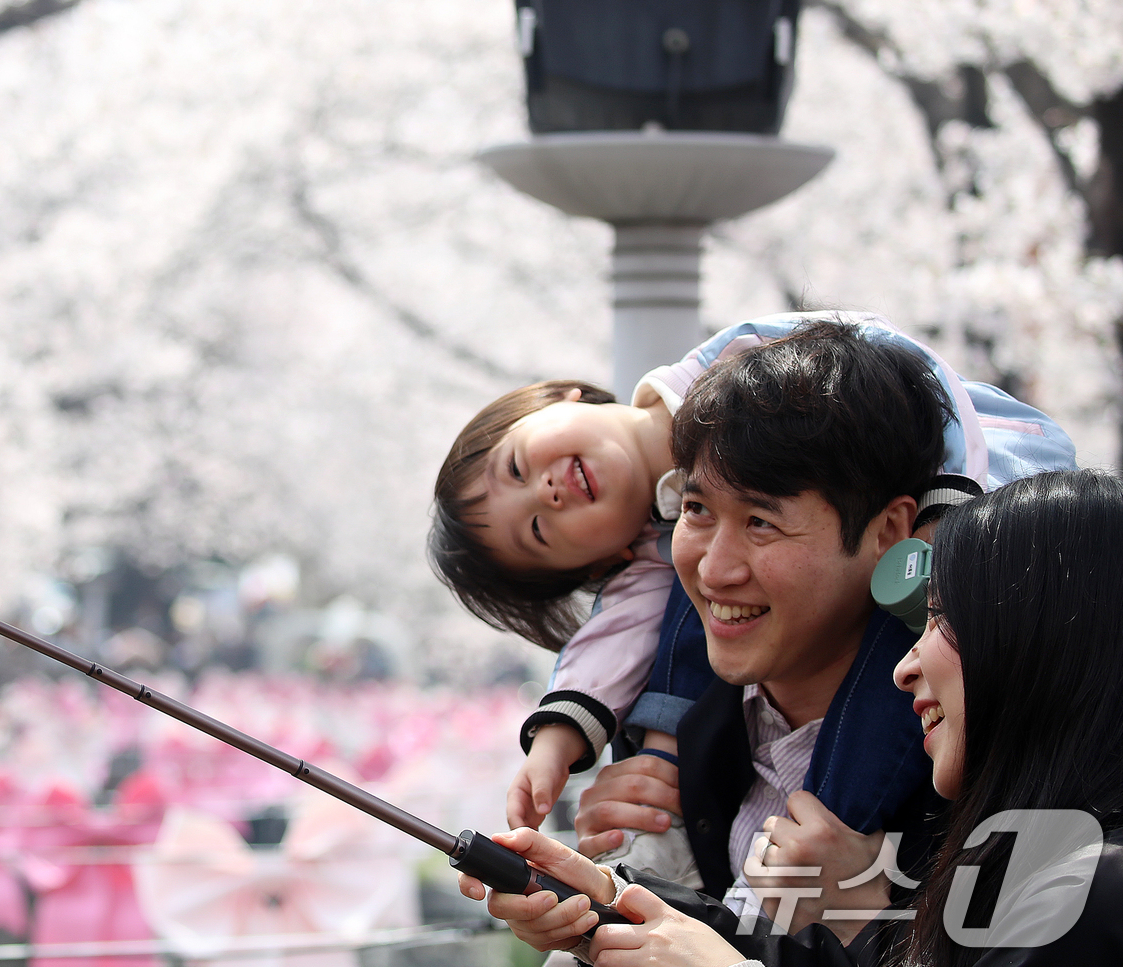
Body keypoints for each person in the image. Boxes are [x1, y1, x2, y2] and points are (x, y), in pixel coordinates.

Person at [429, 312, 1075, 893]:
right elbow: (608, 644)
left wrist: (949, 514)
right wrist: (599, 762)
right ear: (609, 561)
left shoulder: (744, 360)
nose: (546, 493)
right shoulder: (676, 610)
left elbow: (908, 367)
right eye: (696, 510)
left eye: (761, 521)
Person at [462, 468, 1123, 966]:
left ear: (1043, 642)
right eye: (694, 510)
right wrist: (611, 901)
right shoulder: (1029, 853)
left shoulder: (1093, 890)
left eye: (946, 617)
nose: (901, 665)